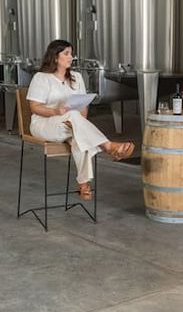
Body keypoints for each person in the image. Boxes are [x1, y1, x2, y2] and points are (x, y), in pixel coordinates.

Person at [26, 40, 135, 200]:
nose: (71, 57)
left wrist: (79, 121)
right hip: (44, 124)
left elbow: (83, 108)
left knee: (79, 135)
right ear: (55, 57)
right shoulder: (41, 78)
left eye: (71, 53)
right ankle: (108, 146)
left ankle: (83, 184)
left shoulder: (76, 77)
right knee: (74, 119)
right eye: (67, 54)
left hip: (69, 125)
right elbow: (34, 107)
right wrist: (57, 111)